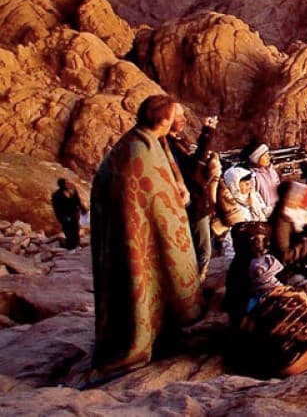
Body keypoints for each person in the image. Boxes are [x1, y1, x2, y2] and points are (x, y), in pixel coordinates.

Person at [89, 94, 202, 377]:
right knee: (139, 283)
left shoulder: (153, 143)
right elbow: (147, 196)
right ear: (163, 120)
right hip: (134, 237)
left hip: (152, 230)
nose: (182, 121)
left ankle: (165, 331)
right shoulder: (136, 151)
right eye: (177, 116)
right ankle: (141, 340)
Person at [228, 222, 307, 378]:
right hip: (265, 316)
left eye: (264, 239)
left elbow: (289, 269)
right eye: (254, 240)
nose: (261, 245)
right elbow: (239, 316)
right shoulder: (238, 273)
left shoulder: (269, 259)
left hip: (283, 300)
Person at [166, 107, 217, 282]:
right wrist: (207, 135)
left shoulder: (175, 143)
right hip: (191, 205)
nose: (184, 120)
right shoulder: (166, 146)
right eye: (178, 116)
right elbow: (192, 170)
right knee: (202, 251)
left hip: (195, 203)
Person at [51, 178, 87, 250]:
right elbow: (57, 209)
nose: (66, 185)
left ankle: (76, 245)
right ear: (60, 185)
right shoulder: (56, 196)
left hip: (74, 214)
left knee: (75, 230)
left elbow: (78, 200)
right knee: (68, 231)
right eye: (64, 184)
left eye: (66, 183)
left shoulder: (72, 191)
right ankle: (69, 246)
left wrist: (83, 208)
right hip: (66, 217)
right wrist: (62, 218)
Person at [247, 143, 280, 215]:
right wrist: (266, 210)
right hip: (265, 213)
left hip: (278, 210)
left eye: (268, 154)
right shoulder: (253, 176)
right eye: (265, 155)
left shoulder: (271, 170)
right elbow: (254, 198)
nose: (269, 157)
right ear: (256, 158)